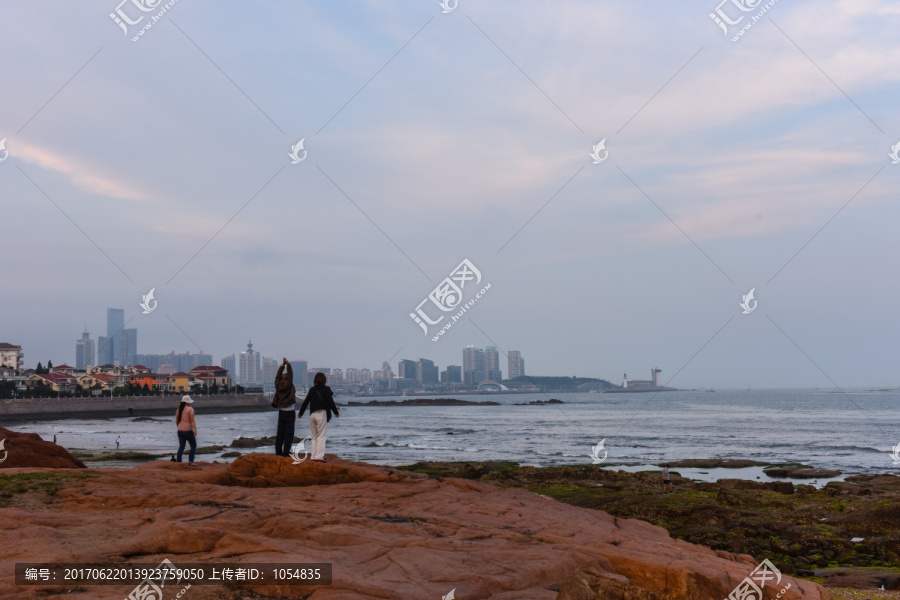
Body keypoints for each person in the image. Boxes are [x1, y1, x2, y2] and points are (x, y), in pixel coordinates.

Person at [298, 372, 340, 463]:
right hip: (321, 414)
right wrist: (336, 412)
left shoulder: (312, 390)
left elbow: (305, 402)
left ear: (315, 380)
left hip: (312, 415)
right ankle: (319, 457)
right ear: (324, 380)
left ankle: (313, 456)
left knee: (314, 436)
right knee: (321, 436)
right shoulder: (326, 390)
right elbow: (331, 402)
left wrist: (300, 413)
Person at [272, 358, 297, 457]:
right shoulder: (289, 384)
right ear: (287, 379)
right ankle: (286, 452)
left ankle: (278, 451)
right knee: (289, 433)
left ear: (281, 380)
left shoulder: (278, 385)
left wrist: (282, 366)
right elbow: (291, 374)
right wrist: (288, 364)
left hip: (281, 411)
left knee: (280, 432)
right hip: (290, 412)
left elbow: (277, 377)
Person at [175, 395, 197, 466]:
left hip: (180, 430)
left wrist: (179, 427)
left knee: (181, 447)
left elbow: (177, 421)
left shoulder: (178, 410)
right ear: (188, 402)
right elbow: (192, 420)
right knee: (193, 446)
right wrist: (195, 430)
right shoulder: (190, 409)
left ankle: (178, 461)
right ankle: (191, 461)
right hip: (188, 430)